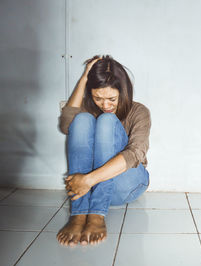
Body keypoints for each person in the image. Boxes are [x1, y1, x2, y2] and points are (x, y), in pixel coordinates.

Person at [56, 55, 151, 246]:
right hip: (89, 188)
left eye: (112, 99)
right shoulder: (89, 108)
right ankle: (79, 213)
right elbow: (66, 125)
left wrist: (88, 179)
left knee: (106, 120)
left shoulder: (139, 111)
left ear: (123, 92)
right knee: (81, 120)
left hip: (127, 184)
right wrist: (84, 78)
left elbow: (135, 154)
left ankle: (97, 215)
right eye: (98, 98)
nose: (105, 105)